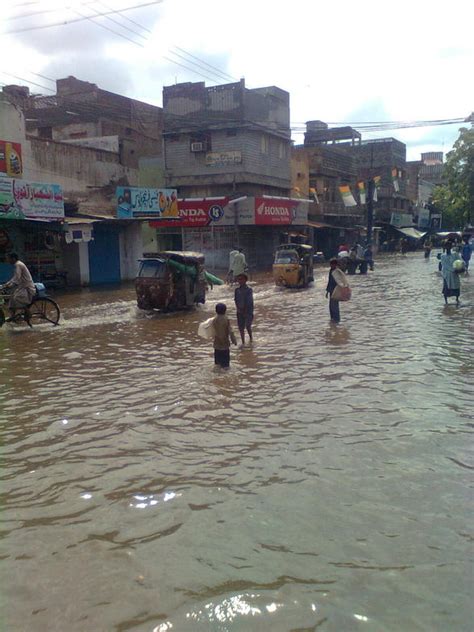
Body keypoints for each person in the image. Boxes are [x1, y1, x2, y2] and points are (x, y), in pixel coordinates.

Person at [1, 253, 36, 320]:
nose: (8, 261)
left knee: (16, 297)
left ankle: (27, 312)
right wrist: (6, 284)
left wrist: (9, 285)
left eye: (9, 259)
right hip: (22, 287)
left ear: (13, 258)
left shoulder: (18, 265)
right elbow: (14, 278)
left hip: (27, 288)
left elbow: (17, 278)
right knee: (11, 299)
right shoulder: (17, 265)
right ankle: (13, 316)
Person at [212, 303, 237, 368]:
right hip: (225, 346)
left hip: (216, 345)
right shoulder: (226, 320)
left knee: (217, 365)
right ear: (225, 311)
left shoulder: (214, 320)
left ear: (216, 311)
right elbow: (230, 331)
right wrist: (234, 340)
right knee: (225, 367)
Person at [325, 258, 350, 323]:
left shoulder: (337, 272)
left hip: (336, 291)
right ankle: (332, 319)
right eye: (330, 265)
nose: (331, 266)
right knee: (331, 306)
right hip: (331, 290)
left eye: (332, 264)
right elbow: (329, 281)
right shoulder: (331, 271)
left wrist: (343, 288)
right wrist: (327, 291)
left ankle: (336, 320)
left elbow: (341, 281)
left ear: (335, 264)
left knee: (335, 306)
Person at [440, 240, 462, 305]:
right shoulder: (443, 256)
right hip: (447, 275)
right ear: (444, 247)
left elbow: (460, 261)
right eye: (446, 246)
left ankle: (457, 299)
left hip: (455, 274)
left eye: (449, 246)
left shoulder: (455, 254)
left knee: (456, 287)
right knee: (446, 289)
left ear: (451, 246)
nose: (448, 247)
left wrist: (461, 268)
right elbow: (445, 265)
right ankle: (446, 302)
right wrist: (453, 270)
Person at [234, 273, 254, 345]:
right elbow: (235, 300)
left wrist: (245, 310)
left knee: (248, 325)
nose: (240, 281)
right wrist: (238, 308)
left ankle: (251, 339)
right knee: (241, 328)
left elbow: (249, 302)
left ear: (245, 280)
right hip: (239, 311)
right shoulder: (237, 290)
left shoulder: (249, 290)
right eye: (239, 279)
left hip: (248, 311)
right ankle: (243, 342)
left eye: (241, 279)